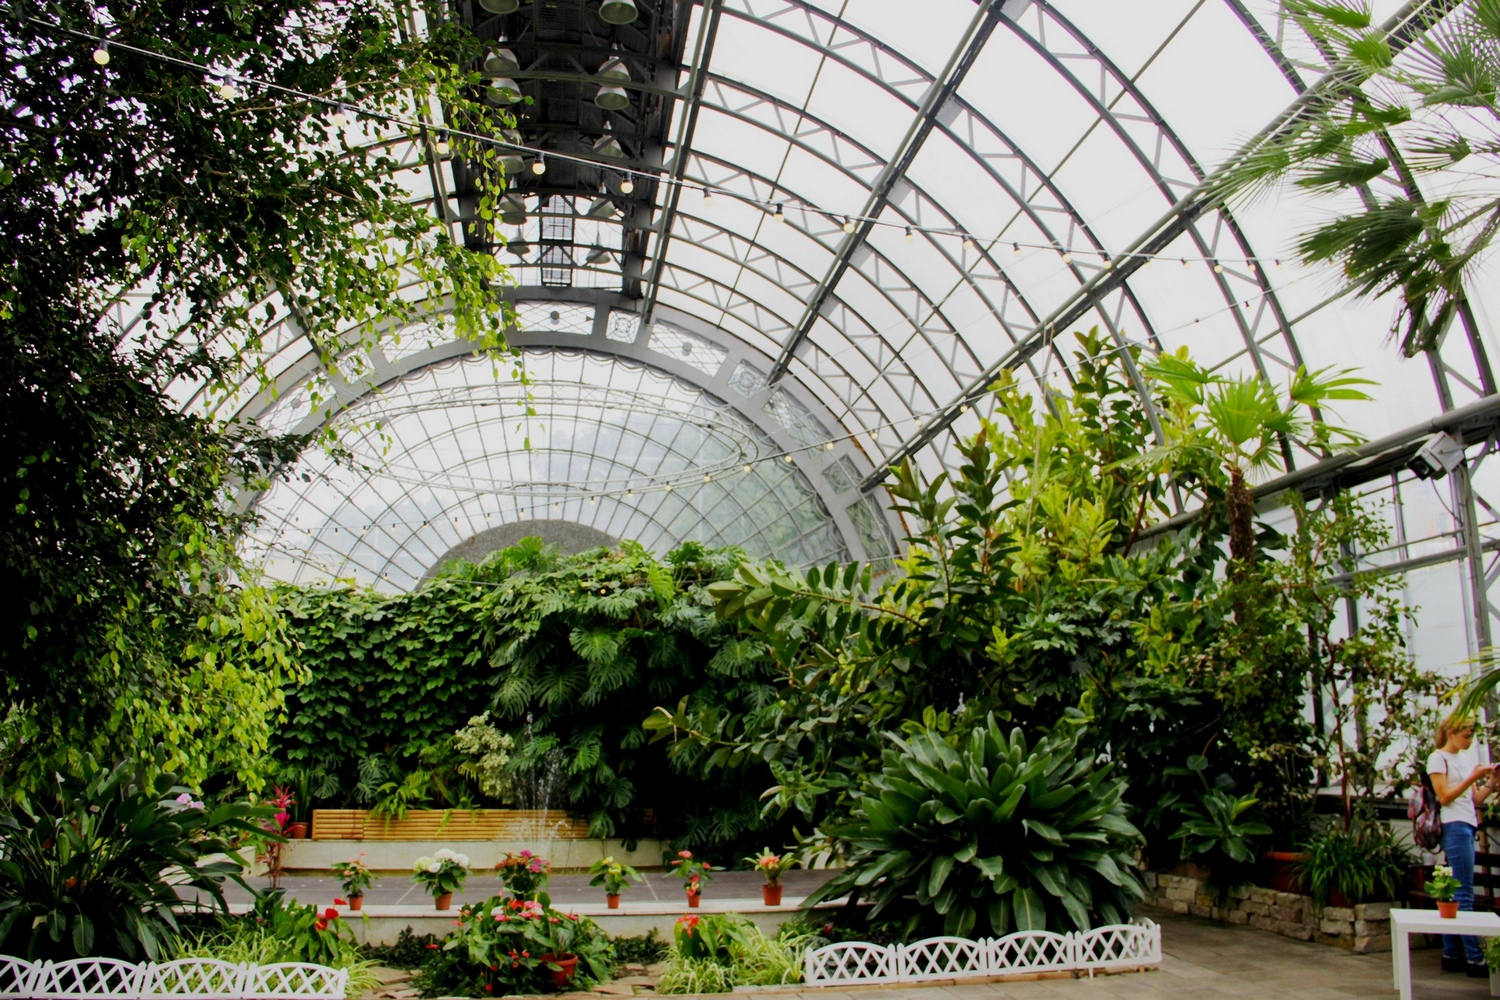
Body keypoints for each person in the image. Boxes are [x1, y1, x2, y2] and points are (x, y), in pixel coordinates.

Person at [1427, 714, 1496, 976]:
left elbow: (1473, 799)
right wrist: (1471, 777)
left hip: (1467, 823)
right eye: (1466, 735)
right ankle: (1475, 959)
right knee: (1464, 892)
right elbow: (1444, 797)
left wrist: (1490, 782)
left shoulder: (1464, 758)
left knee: (1457, 891)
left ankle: (1451, 953)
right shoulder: (1438, 758)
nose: (1469, 740)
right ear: (1451, 733)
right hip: (1454, 826)